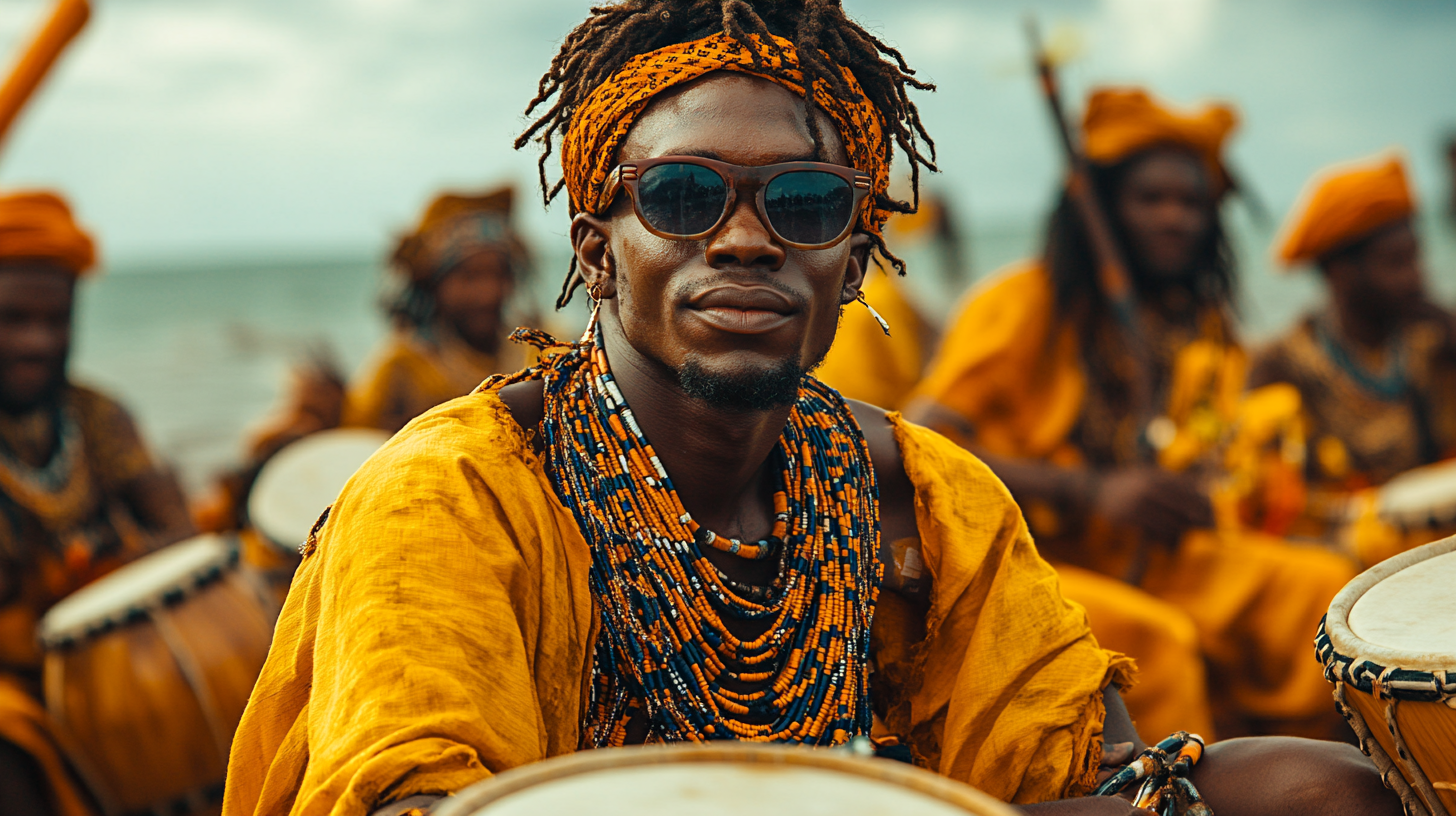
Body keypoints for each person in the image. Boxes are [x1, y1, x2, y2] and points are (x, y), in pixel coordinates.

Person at [224, 5, 1395, 816]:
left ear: (852, 257)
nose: (742, 238)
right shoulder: (454, 491)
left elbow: (1087, 764)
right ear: (595, 247)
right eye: (681, 196)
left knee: (1322, 790)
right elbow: (415, 788)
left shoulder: (917, 491)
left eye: (804, 203)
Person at [906, 88, 1357, 740]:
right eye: (1152, 199)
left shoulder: (1195, 321)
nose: (1175, 218)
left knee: (1321, 590)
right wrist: (1089, 490)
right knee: (1158, 647)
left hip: (1150, 556)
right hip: (1030, 562)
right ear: (1104, 207)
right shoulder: (1022, 303)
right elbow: (922, 443)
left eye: (1192, 203)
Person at [0, 191, 194, 816]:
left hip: (114, 670)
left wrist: (111, 569)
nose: (37, 341)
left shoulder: (98, 416)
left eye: (54, 320)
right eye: (12, 319)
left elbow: (181, 536)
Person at [1251, 154, 1456, 501]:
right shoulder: (1282, 362)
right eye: (1397, 263)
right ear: (1339, 273)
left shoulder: (1433, 341)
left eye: (1416, 257)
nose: (1417, 276)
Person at [343, 186, 534, 433]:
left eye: (499, 274)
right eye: (469, 277)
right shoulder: (400, 366)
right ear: (435, 284)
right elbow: (355, 447)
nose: (489, 293)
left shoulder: (535, 351)